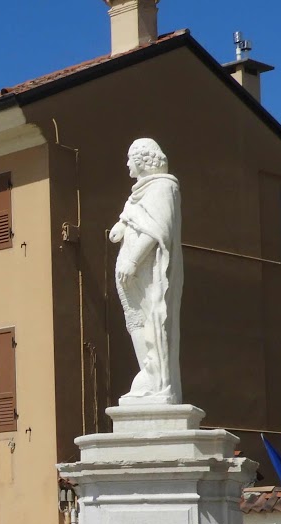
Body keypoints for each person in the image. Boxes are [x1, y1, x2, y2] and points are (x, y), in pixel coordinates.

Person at [107, 137, 183, 404]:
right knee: (135, 322)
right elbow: (135, 218)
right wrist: (123, 225)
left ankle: (155, 376)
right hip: (131, 274)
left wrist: (133, 261)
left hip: (145, 272)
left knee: (150, 321)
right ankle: (147, 371)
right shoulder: (139, 193)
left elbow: (158, 229)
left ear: (141, 160)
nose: (127, 164)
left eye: (130, 158)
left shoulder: (163, 187)